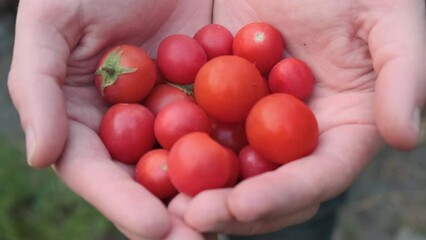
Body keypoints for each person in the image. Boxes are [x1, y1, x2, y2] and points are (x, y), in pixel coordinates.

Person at [7, 0, 426, 239]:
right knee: (159, 213)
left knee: (291, 206)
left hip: (276, 148)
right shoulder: (181, 107)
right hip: (194, 148)